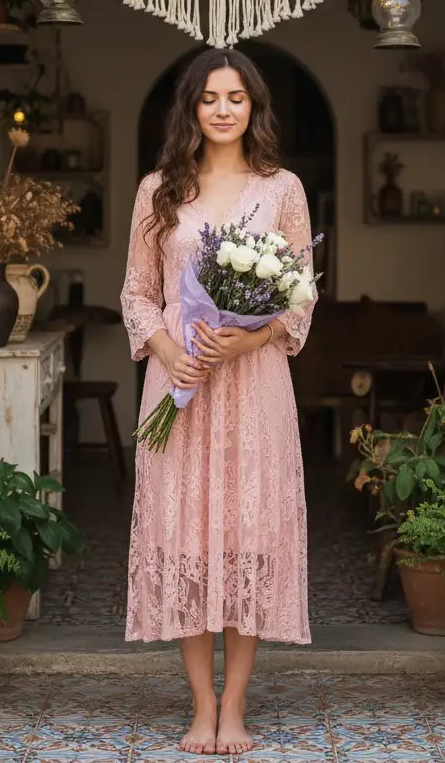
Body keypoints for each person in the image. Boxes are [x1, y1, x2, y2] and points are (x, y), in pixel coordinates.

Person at [120, 46, 316, 755]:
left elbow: (301, 292)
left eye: (237, 98)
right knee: (184, 539)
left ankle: (236, 706)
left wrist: (251, 337)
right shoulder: (158, 190)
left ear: (254, 108)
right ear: (192, 109)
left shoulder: (283, 189)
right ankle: (200, 704)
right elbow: (137, 291)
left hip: (254, 386)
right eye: (210, 98)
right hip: (177, 384)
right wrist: (167, 348)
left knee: (248, 537)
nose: (224, 109)